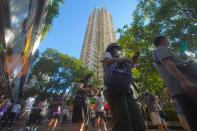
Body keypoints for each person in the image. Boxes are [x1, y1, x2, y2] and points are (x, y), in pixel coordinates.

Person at [153, 36, 197, 131]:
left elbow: (176, 63)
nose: (169, 40)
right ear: (163, 40)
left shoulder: (166, 51)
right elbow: (167, 64)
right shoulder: (160, 49)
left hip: (186, 85)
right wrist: (184, 80)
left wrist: (182, 53)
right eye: (167, 38)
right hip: (185, 87)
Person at [101, 43, 146, 131]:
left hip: (126, 89)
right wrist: (124, 59)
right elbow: (107, 61)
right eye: (118, 49)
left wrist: (135, 59)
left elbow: (132, 65)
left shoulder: (121, 59)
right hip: (112, 88)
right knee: (122, 120)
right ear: (113, 49)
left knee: (137, 117)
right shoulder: (107, 54)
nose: (119, 51)